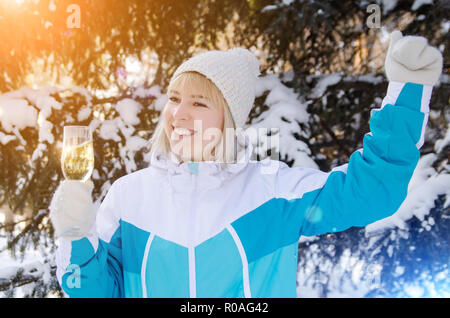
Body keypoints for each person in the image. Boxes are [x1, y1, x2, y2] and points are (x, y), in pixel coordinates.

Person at [50, 31, 443, 298]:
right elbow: (94, 290)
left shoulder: (271, 191)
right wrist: (76, 237)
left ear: (228, 121)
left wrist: (406, 94)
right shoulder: (129, 196)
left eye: (199, 103)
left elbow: (368, 194)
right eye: (174, 98)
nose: (178, 114)